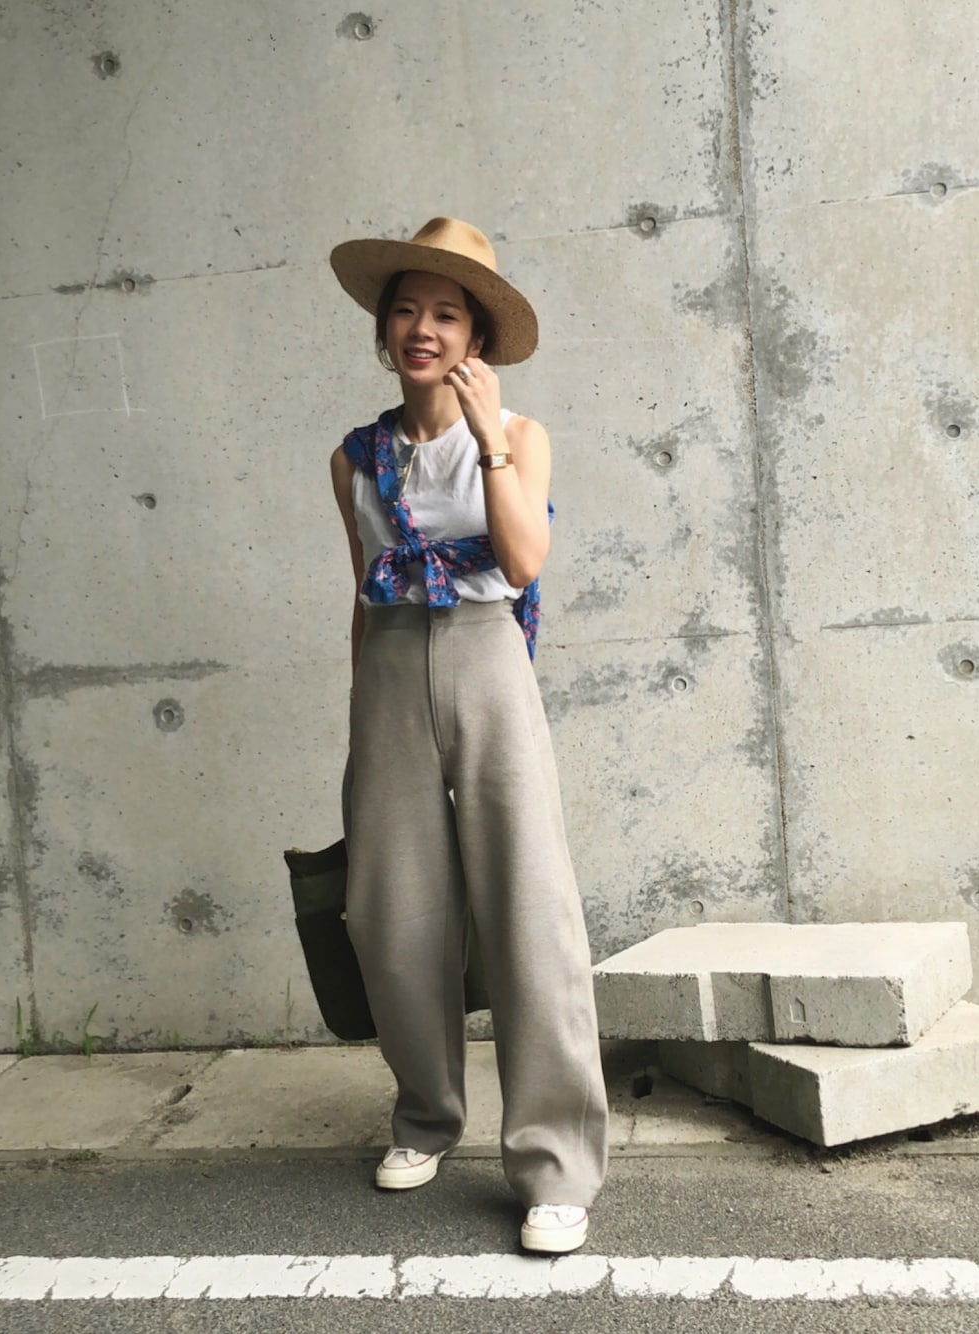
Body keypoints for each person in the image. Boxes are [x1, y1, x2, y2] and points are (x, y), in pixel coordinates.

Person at [328, 217, 608, 1255]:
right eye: (405, 309)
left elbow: (524, 560)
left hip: (489, 659)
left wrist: (488, 435)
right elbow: (362, 588)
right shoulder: (353, 457)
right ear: (383, 327)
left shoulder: (520, 434)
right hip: (391, 667)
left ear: (476, 336)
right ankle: (425, 1116)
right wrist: (364, 708)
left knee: (528, 904)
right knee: (390, 908)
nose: (422, 328)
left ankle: (554, 1163)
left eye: (446, 314)